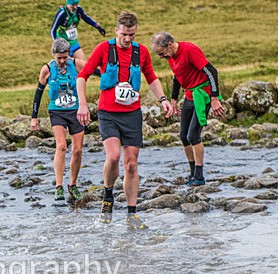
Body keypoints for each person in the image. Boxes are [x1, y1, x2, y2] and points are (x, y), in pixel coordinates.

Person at [76, 11, 173, 229]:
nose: (128, 39)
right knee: (113, 158)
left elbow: (151, 78)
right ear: (116, 31)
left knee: (131, 164)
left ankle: (131, 214)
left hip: (132, 114)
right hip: (108, 113)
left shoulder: (142, 52)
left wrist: (163, 99)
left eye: (132, 34)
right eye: (124, 35)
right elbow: (82, 76)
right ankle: (108, 196)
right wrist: (83, 105)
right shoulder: (104, 49)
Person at [151, 32, 223, 187]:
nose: (161, 57)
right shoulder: (170, 57)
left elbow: (211, 71)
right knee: (184, 136)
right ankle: (192, 173)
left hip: (203, 95)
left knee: (193, 135)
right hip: (189, 95)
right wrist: (174, 99)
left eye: (161, 53)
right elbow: (177, 76)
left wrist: (215, 98)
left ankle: (199, 176)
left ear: (169, 44)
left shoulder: (189, 50)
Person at [32, 38, 87, 204]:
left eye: (65, 57)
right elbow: (38, 92)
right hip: (57, 111)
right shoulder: (47, 69)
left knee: (77, 150)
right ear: (53, 56)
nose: (62, 61)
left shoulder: (77, 64)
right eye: (59, 58)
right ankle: (58, 186)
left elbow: (98, 70)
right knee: (61, 146)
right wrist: (34, 117)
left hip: (76, 111)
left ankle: (72, 184)